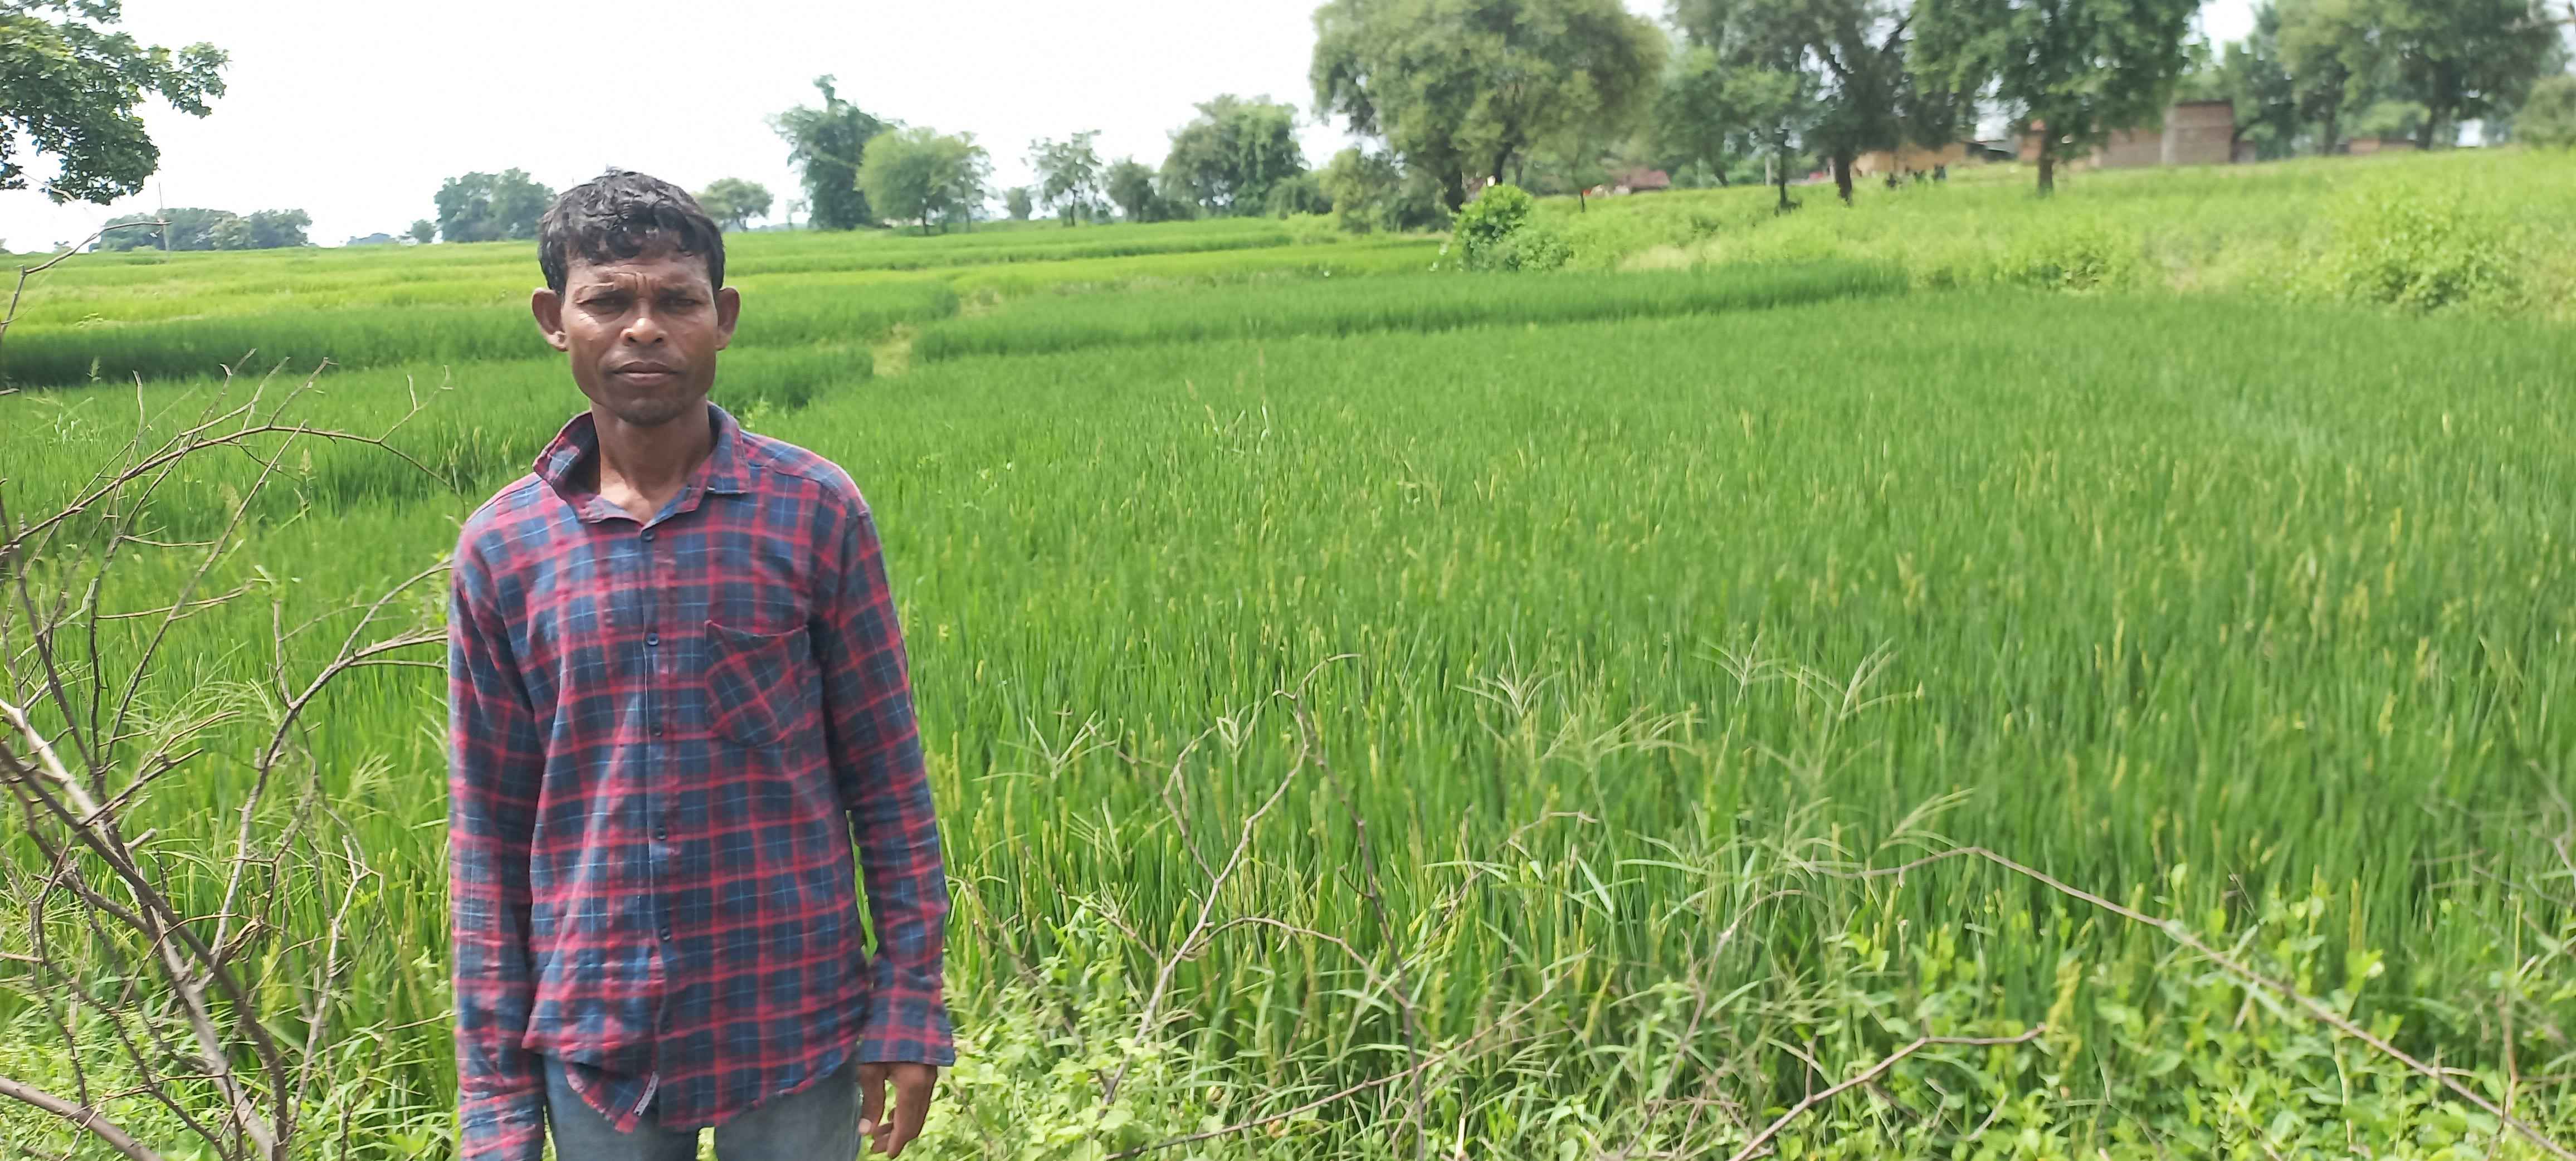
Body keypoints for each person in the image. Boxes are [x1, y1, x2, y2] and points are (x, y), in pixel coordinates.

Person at [447, 170, 951, 1160]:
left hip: (794, 1019)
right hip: (599, 1035)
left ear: (722, 319)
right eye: (608, 300)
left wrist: (908, 1001)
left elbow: (889, 779)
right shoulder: (503, 548)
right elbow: (488, 841)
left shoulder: (814, 509)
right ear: (555, 320)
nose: (644, 328)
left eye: (676, 300)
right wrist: (496, 1106)